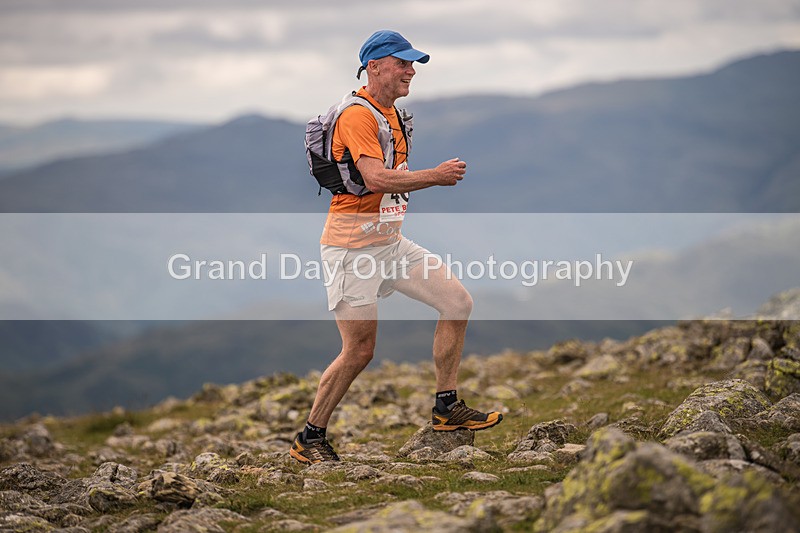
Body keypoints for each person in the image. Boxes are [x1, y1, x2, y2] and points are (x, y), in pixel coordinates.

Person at [290, 30, 503, 464]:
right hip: (351, 250)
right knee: (359, 351)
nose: (411, 71)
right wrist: (436, 176)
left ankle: (446, 408)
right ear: (374, 67)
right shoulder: (357, 116)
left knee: (457, 303)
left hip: (390, 243)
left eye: (412, 64)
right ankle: (310, 438)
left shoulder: (392, 113)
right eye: (402, 63)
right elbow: (375, 179)